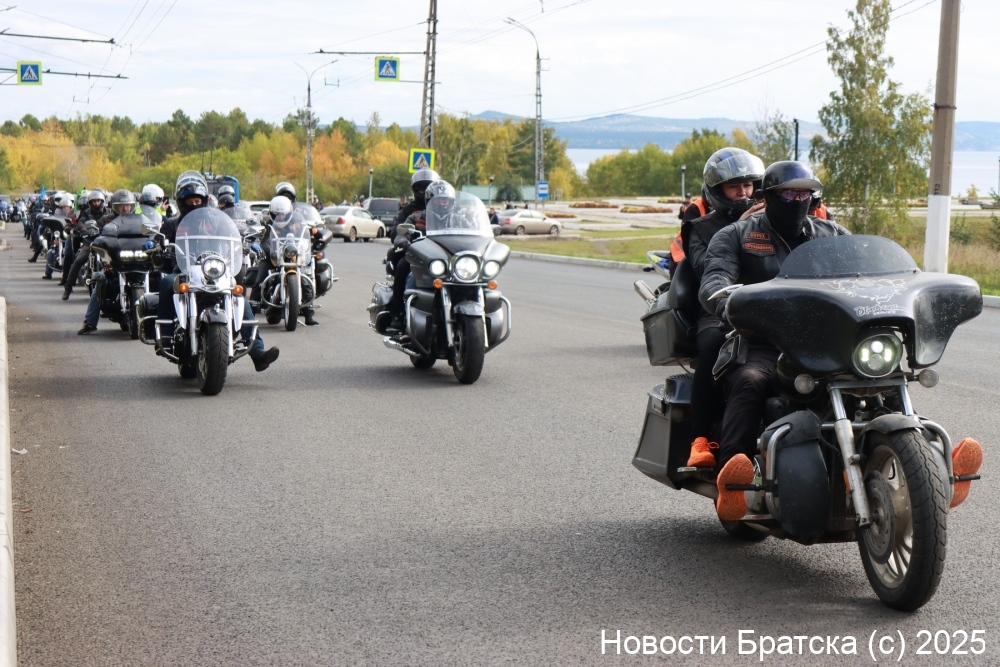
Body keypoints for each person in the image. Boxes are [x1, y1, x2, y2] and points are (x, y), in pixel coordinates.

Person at [697, 161, 850, 521]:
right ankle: (733, 482)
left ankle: (921, 457)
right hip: (765, 340)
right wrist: (727, 300)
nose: (797, 200)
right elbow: (715, 279)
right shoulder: (736, 235)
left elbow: (869, 271)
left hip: (826, 341)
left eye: (804, 193)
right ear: (768, 196)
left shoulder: (831, 234)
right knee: (750, 381)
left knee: (878, 376)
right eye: (788, 193)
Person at [677, 148, 767, 470]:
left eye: (748, 185)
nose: (743, 193)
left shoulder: (773, 223)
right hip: (717, 309)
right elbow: (707, 270)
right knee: (715, 344)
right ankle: (700, 437)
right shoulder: (699, 228)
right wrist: (737, 230)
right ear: (717, 191)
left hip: (771, 306)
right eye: (734, 187)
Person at [143, 172, 280, 372]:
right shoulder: (172, 224)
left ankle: (258, 352)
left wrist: (248, 242)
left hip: (215, 270)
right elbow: (160, 239)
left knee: (237, 294)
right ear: (181, 202)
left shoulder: (215, 221)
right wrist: (154, 244)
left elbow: (234, 233)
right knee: (166, 283)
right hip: (184, 270)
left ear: (204, 201)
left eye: (197, 201)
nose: (194, 205)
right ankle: (165, 334)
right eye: (190, 201)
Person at [385, 179, 453, 331]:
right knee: (403, 266)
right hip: (421, 257)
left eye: (445, 200)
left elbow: (471, 232)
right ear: (430, 201)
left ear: (451, 202)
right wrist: (402, 240)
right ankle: (398, 314)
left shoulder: (458, 219)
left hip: (448, 259)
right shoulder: (416, 217)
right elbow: (401, 233)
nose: (442, 204)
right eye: (438, 200)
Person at [76, 190, 140, 334]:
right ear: (114, 206)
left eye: (128, 205)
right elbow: (97, 232)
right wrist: (93, 233)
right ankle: (90, 322)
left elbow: (150, 230)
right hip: (115, 261)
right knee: (100, 279)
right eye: (121, 206)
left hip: (137, 260)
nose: (125, 208)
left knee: (157, 275)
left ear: (133, 206)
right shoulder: (107, 219)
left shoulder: (139, 219)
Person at [62, 191, 111, 298]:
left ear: (102, 201)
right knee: (78, 261)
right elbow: (80, 222)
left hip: (106, 241)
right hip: (90, 241)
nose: (96, 203)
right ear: (90, 202)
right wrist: (84, 230)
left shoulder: (108, 212)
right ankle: (68, 287)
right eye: (94, 201)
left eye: (98, 201)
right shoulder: (86, 212)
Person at [390, 168, 439, 240]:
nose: (426, 191)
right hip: (417, 245)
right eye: (422, 188)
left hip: (441, 244)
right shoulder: (407, 210)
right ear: (415, 189)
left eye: (430, 188)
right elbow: (395, 234)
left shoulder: (445, 208)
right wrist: (406, 237)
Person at [42, 193, 77, 279]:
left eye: (67, 207)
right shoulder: (57, 213)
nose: (66, 208)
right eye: (64, 207)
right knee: (51, 252)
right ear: (61, 207)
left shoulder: (74, 214)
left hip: (71, 236)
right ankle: (48, 273)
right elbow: (54, 223)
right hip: (60, 236)